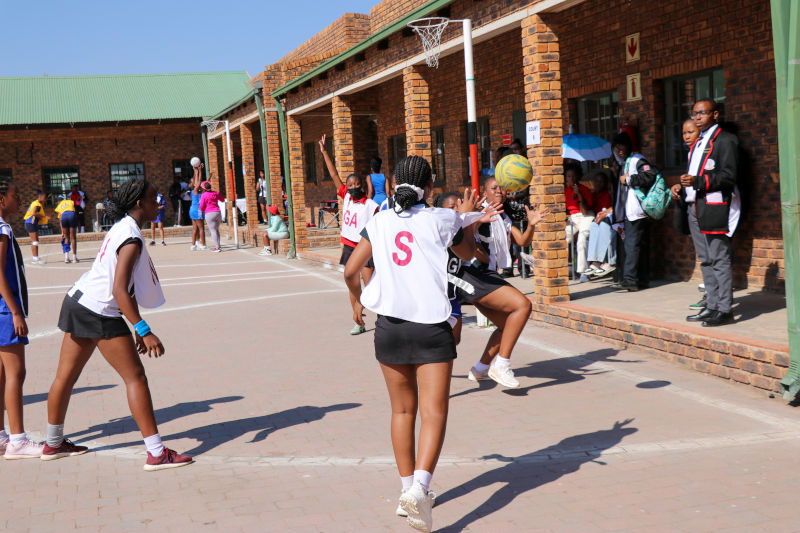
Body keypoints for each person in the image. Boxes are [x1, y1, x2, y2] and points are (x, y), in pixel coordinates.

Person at [344, 155, 494, 532]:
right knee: (434, 412)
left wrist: (356, 300)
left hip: (389, 327)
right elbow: (465, 253)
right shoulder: (441, 218)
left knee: (401, 413)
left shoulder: (378, 220)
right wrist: (468, 217)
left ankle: (405, 489)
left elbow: (350, 270)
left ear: (394, 182)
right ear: (430, 187)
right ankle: (420, 490)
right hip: (430, 326)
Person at [42, 178, 194, 471]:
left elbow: (124, 289)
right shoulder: (132, 238)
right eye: (153, 200)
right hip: (100, 310)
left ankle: (53, 442)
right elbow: (119, 290)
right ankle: (156, 453)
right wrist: (143, 329)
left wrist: (135, 324)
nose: (158, 204)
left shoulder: (123, 226)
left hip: (78, 300)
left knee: (65, 377)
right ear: (140, 204)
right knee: (136, 377)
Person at [464, 176, 549, 388]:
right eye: (494, 188)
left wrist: (531, 224)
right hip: (475, 275)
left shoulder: (503, 215)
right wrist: (473, 228)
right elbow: (466, 236)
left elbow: (522, 241)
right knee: (523, 305)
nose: (499, 191)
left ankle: (480, 369)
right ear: (485, 192)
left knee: (506, 325)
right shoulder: (480, 212)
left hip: (484, 276)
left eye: (501, 188)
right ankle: (501, 365)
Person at [677, 99, 741, 327]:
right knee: (705, 260)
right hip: (695, 205)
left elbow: (729, 176)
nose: (696, 118)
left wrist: (699, 181)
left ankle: (725, 309)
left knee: (719, 259)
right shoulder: (698, 141)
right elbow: (694, 174)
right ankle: (712, 305)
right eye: (694, 114)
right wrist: (682, 185)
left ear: (714, 114)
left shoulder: (725, 140)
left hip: (715, 205)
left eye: (701, 113)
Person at [318, 134, 379, 336]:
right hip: (348, 246)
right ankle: (358, 320)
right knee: (352, 285)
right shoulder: (348, 199)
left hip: (365, 247)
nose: (352, 188)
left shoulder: (371, 206)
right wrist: (325, 152)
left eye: (355, 185)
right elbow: (334, 175)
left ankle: (379, 317)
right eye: (349, 185)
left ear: (363, 185)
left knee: (369, 284)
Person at [0, 177, 42, 459]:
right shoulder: (2, 228)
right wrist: (15, 311)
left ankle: (2, 435)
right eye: (15, 194)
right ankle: (18, 440)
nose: (19, 198)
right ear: (1, 199)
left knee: (2, 374)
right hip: (4, 309)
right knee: (16, 372)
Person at [610, 132, 658, 292]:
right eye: (616, 147)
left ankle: (630, 280)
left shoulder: (637, 160)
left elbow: (650, 176)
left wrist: (629, 179)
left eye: (622, 146)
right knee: (640, 247)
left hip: (636, 211)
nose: (619, 150)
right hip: (632, 212)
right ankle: (641, 280)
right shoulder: (624, 163)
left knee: (632, 246)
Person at [671, 119, 705, 310]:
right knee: (703, 254)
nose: (686, 136)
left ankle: (715, 297)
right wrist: (679, 185)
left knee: (711, 256)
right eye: (684, 133)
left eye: (690, 132)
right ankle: (710, 295)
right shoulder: (692, 152)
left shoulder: (705, 150)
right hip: (693, 206)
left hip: (706, 207)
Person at [564, 163, 595, 281]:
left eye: (572, 176)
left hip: (586, 215)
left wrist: (579, 195)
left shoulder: (584, 189)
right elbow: (567, 209)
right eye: (568, 176)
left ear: (577, 177)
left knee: (582, 239)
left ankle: (583, 271)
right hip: (573, 217)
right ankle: (567, 268)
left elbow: (585, 210)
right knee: (564, 238)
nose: (570, 179)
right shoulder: (566, 191)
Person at [585, 171, 616, 279]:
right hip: (603, 219)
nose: (598, 184)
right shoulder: (594, 194)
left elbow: (612, 209)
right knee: (594, 225)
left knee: (603, 225)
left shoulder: (609, 194)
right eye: (596, 181)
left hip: (614, 221)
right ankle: (595, 262)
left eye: (601, 182)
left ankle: (603, 261)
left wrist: (604, 213)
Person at [23, 190, 49, 265]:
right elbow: (34, 213)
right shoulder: (37, 204)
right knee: (34, 241)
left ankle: (36, 257)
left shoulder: (36, 203)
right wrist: (44, 216)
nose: (45, 199)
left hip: (32, 223)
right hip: (30, 223)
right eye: (44, 197)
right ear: (40, 197)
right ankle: (35, 259)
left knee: (36, 240)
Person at [199, 181, 224, 253]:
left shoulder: (203, 195)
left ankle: (217, 247)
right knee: (216, 230)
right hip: (218, 212)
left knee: (213, 230)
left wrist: (204, 210)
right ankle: (218, 246)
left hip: (209, 213)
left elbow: (201, 207)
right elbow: (222, 200)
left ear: (204, 188)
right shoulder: (216, 193)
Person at [188, 165, 207, 251]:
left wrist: (197, 172)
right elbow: (198, 182)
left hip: (193, 210)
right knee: (201, 228)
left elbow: (202, 183)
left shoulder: (197, 191)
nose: (197, 183)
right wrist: (198, 171)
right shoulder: (195, 191)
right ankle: (203, 245)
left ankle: (193, 245)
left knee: (195, 229)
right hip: (197, 210)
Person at [55, 195, 79, 263]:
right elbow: (73, 210)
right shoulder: (70, 201)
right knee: (73, 238)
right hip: (71, 214)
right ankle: (74, 258)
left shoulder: (59, 205)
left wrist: (62, 232)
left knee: (66, 237)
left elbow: (60, 220)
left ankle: (66, 257)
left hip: (64, 216)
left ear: (59, 201)